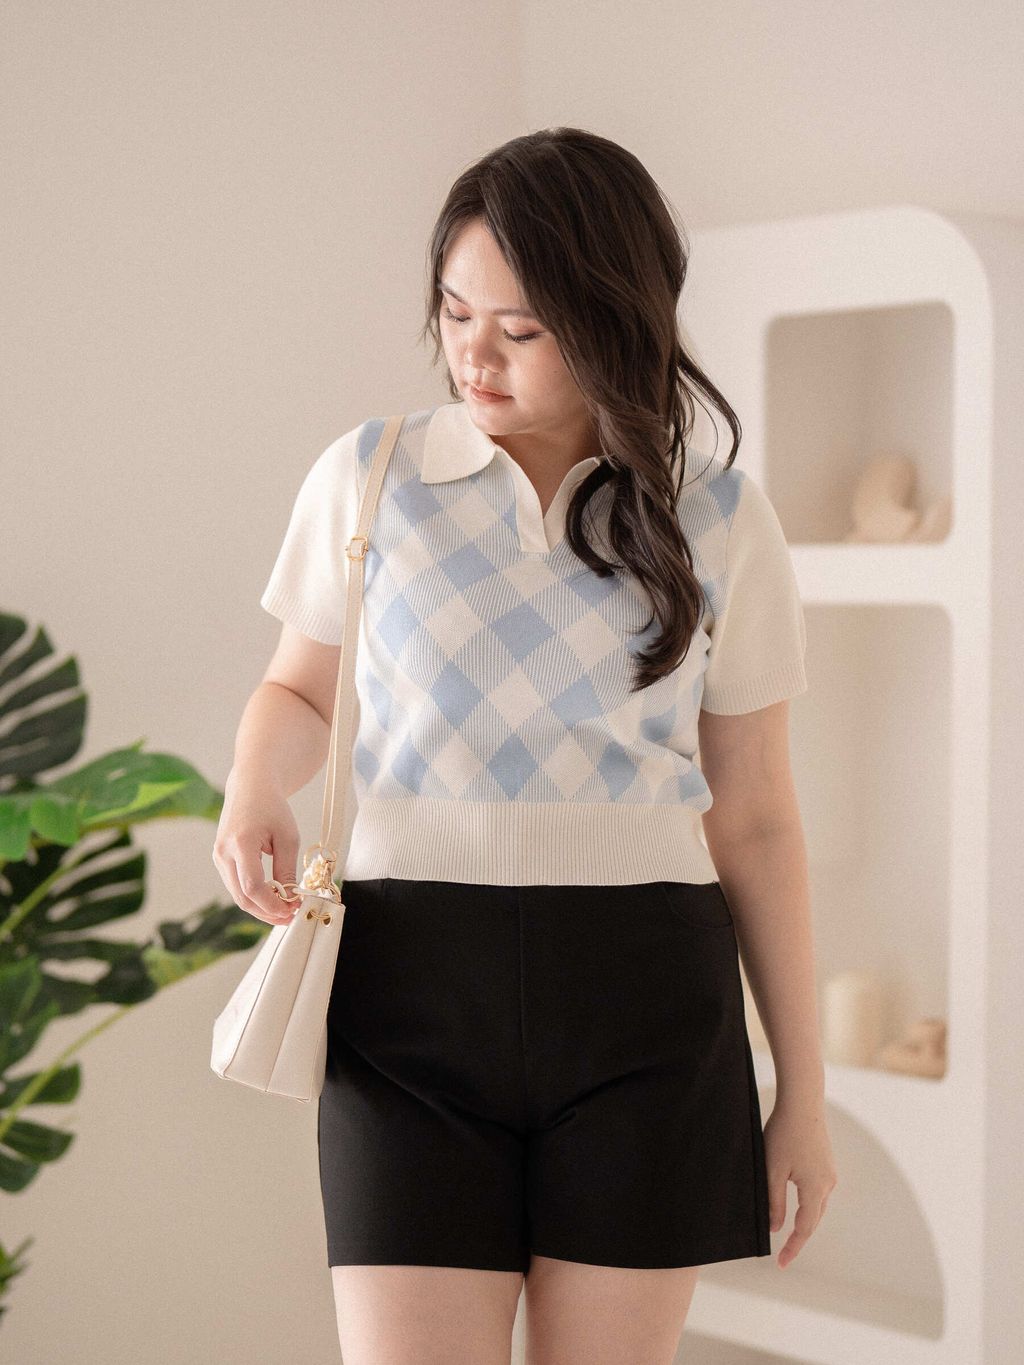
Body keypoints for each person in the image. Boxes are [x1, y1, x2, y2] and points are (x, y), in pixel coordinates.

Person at [213, 126, 838, 1365]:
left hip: (648, 1001)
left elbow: (756, 814)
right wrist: (249, 791)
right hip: (406, 994)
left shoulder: (716, 512)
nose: (471, 353)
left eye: (519, 327)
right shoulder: (372, 475)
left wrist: (801, 1099)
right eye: (453, 312)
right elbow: (297, 689)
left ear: (614, 318)